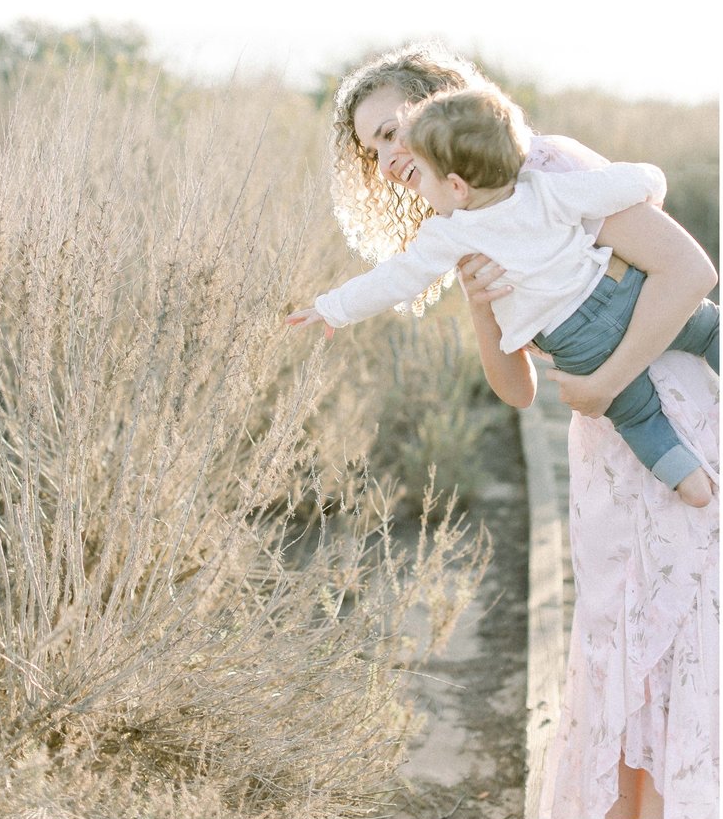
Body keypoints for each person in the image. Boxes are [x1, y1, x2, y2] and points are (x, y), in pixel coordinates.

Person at [307, 43, 719, 819]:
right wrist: (480, 303)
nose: (390, 157)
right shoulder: (462, 222)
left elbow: (689, 270)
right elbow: (517, 389)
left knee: (688, 631)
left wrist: (601, 383)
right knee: (624, 647)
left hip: (673, 408)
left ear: (442, 100)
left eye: (393, 130)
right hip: (607, 457)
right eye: (373, 150)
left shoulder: (550, 169)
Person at [287, 88, 718, 508]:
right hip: (619, 295)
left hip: (575, 348)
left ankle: (691, 485)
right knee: (710, 329)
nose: (391, 171)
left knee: (639, 419)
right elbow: (621, 182)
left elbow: (394, 279)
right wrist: (653, 182)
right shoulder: (544, 190)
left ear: (456, 186)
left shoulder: (449, 233)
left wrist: (332, 308)